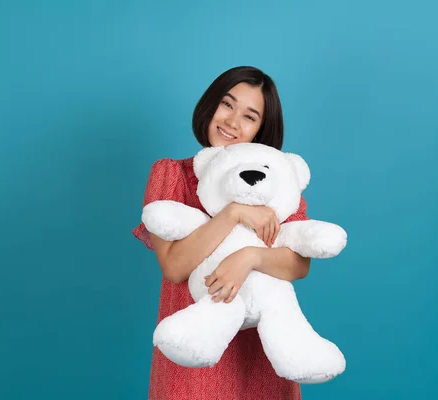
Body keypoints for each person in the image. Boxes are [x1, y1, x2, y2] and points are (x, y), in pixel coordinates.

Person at [132, 66, 311, 400]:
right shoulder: (172, 174)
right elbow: (174, 266)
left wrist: (250, 257)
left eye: (249, 116)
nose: (232, 122)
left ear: (261, 128)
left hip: (259, 353)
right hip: (192, 358)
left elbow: (299, 265)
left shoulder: (277, 184)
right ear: (210, 105)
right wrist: (233, 213)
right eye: (227, 104)